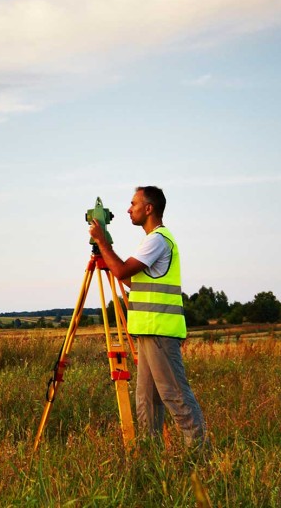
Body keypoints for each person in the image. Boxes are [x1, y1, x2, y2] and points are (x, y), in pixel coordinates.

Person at [89, 186, 208, 452]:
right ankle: (150, 460)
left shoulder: (157, 239)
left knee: (175, 397)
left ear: (149, 208)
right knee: (147, 402)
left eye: (133, 204)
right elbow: (132, 281)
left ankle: (200, 457)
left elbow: (120, 271)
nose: (128, 209)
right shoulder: (152, 241)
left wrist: (102, 242)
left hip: (160, 332)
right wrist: (106, 252)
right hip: (148, 332)